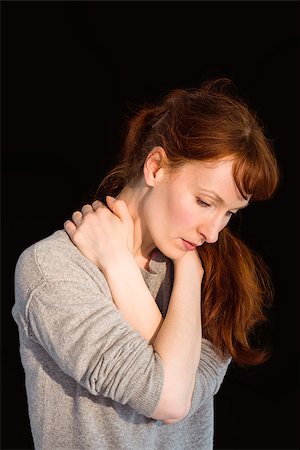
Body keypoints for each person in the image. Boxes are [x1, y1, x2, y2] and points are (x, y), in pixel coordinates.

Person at [13, 78, 279, 450]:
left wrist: (188, 270)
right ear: (155, 166)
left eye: (230, 213)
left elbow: (183, 394)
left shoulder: (217, 275)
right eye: (204, 202)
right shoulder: (54, 270)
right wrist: (122, 267)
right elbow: (169, 399)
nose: (214, 232)